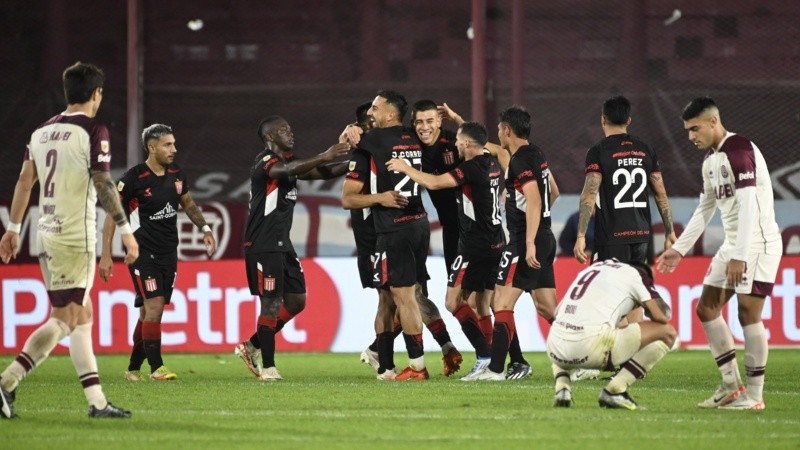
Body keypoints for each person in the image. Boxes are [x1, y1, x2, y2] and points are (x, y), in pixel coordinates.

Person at [0, 62, 137, 419]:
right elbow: (104, 183)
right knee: (66, 317)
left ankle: (97, 402)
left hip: (45, 234)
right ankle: (7, 382)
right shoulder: (93, 130)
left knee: (83, 314)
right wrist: (125, 230)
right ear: (96, 94)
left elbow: (24, 181)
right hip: (76, 236)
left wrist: (13, 229)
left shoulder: (41, 132)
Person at [657, 97, 782, 410]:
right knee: (706, 308)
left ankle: (755, 396)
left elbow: (749, 205)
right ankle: (730, 385)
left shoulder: (739, 151)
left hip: (757, 243)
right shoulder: (711, 161)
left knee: (747, 313)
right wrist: (679, 250)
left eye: (695, 128)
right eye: (687, 130)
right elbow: (705, 208)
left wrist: (740, 254)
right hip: (735, 244)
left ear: (714, 121)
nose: (691, 136)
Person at [342, 104, 462, 379]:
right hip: (374, 237)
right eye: (367, 124)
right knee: (395, 298)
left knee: (405, 297)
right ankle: (388, 362)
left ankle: (392, 360)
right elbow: (348, 197)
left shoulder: (396, 144)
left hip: (396, 231)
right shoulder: (365, 155)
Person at [233, 116, 350, 381]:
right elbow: (287, 171)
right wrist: (325, 154)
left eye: (291, 128)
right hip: (262, 244)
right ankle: (269, 367)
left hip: (281, 244)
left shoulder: (288, 163)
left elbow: (322, 172)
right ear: (270, 137)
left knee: (297, 301)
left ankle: (250, 346)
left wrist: (355, 163)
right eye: (284, 130)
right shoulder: (264, 163)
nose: (291, 132)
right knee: (270, 304)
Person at [99, 123, 217, 382]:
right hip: (141, 253)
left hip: (168, 253)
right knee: (154, 307)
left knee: (147, 314)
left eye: (174, 143)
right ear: (151, 148)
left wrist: (205, 228)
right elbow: (112, 216)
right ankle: (157, 368)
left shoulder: (177, 174)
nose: (174, 149)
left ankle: (132, 369)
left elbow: (189, 203)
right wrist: (106, 254)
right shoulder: (133, 178)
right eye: (167, 144)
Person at [387, 121, 505, 381]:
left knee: (453, 302)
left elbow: (437, 182)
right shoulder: (493, 164)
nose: (454, 145)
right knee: (482, 303)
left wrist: (405, 168)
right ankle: (494, 362)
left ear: (465, 144)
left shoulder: (470, 168)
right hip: (497, 242)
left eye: (458, 141)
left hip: (475, 246)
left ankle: (485, 358)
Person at [468, 106, 560, 381]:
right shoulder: (537, 154)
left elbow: (534, 198)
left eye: (499, 129)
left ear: (507, 131)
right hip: (545, 237)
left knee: (501, 302)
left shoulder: (520, 161)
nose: (498, 134)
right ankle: (584, 357)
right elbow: (552, 192)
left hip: (523, 242)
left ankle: (497, 369)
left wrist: (529, 241)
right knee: (547, 308)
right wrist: (540, 224)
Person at [547, 259, 676, 410]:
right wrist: (645, 300)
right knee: (668, 333)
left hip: (555, 349)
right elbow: (662, 316)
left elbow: (557, 313)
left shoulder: (593, 269)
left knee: (564, 327)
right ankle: (615, 390)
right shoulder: (636, 275)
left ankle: (562, 387)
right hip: (592, 347)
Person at [573, 95, 676, 265]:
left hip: (611, 238)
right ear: (628, 120)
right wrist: (669, 231)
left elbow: (589, 195)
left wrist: (581, 236)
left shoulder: (598, 151)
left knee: (606, 289)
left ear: (603, 120)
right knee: (633, 287)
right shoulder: (646, 149)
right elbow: (661, 194)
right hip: (641, 237)